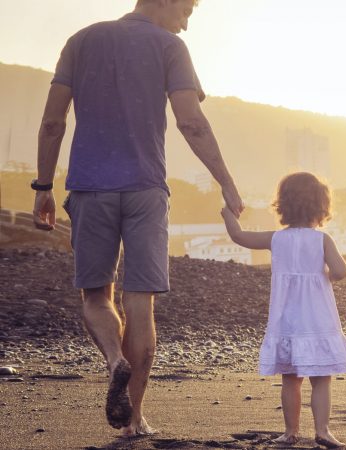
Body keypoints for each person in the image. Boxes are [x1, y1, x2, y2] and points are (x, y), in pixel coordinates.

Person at [31, 0, 242, 436]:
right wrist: (225, 180)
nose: (185, 26)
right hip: (146, 188)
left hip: (90, 187)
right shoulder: (168, 47)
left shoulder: (81, 40)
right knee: (140, 302)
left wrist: (43, 187)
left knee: (95, 295)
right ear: (163, 2)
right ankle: (133, 420)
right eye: (185, 13)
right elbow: (192, 123)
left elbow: (53, 122)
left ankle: (114, 361)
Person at [220, 172, 346, 448]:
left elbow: (239, 236)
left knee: (291, 379)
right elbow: (341, 271)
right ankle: (323, 431)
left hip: (287, 320)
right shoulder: (322, 240)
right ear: (321, 206)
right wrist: (325, 277)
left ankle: (291, 431)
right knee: (321, 379)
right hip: (318, 318)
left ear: (282, 205)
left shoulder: (276, 239)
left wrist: (227, 213)